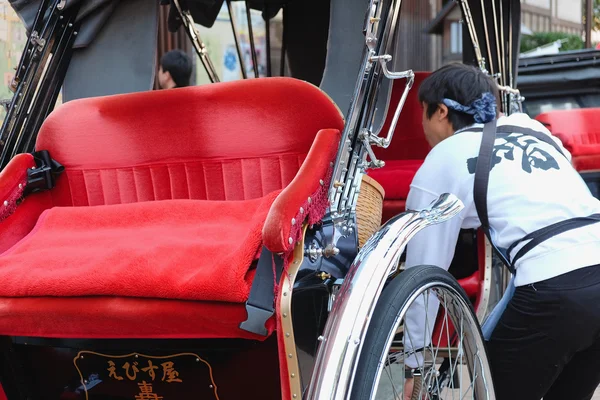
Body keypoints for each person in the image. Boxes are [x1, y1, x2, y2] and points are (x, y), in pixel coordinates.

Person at [402, 63, 600, 400]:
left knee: (493, 390)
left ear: (440, 111)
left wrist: (415, 365)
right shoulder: (531, 128)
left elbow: (422, 274)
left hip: (554, 287)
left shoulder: (442, 159)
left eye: (423, 113)